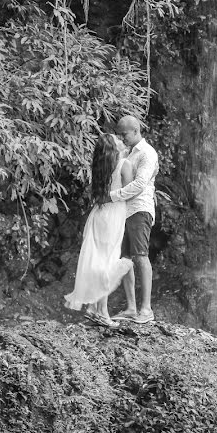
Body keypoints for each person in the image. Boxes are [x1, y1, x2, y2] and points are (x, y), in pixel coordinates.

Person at [64, 134, 135, 328]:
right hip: (114, 215)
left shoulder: (101, 168)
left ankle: (94, 308)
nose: (121, 140)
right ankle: (102, 312)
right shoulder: (124, 164)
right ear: (114, 147)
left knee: (99, 260)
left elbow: (99, 194)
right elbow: (130, 192)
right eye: (117, 139)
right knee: (108, 262)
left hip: (98, 215)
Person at [103, 115, 159, 324]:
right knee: (125, 258)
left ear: (136, 131)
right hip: (124, 211)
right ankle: (131, 307)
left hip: (139, 210)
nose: (121, 137)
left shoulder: (147, 153)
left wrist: (112, 197)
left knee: (140, 256)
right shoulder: (126, 152)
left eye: (124, 134)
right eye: (119, 134)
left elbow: (140, 184)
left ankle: (146, 309)